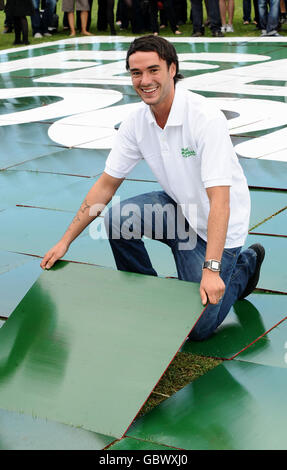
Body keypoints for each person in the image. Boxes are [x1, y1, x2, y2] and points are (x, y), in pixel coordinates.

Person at [41, 36, 265, 342]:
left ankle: (243, 266)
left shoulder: (204, 118)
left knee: (197, 329)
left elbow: (220, 202)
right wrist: (65, 241)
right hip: (178, 210)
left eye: (153, 70)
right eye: (136, 73)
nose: (145, 80)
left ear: (172, 69)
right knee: (118, 220)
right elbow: (105, 186)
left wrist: (211, 270)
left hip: (220, 228)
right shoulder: (136, 122)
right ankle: (148, 297)